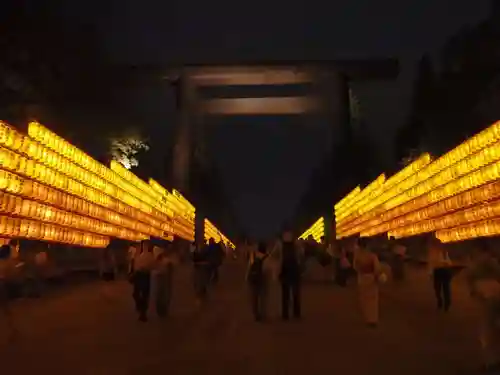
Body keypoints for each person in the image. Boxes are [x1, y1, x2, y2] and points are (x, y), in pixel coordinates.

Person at [466, 239, 500, 372]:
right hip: (492, 295)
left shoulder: (480, 261)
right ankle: (493, 360)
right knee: (493, 327)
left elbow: (470, 277)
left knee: (487, 329)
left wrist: (474, 289)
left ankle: (491, 362)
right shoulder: (488, 260)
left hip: (489, 296)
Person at [274, 229, 304, 321]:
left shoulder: (279, 243)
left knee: (285, 293)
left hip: (284, 269)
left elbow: (274, 254)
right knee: (296, 292)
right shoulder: (297, 243)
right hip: (295, 269)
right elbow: (302, 253)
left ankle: (285, 314)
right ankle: (296, 313)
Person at [353, 237, 383, 327]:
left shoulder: (357, 255)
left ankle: (366, 317)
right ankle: (372, 319)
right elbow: (377, 268)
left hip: (362, 277)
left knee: (364, 298)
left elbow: (355, 266)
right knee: (372, 299)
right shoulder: (372, 255)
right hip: (371, 277)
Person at [427, 235, 453, 312]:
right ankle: (440, 301)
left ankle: (446, 304)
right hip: (437, 271)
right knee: (437, 288)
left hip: (444, 271)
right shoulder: (432, 252)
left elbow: (449, 262)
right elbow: (431, 263)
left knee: (446, 288)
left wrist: (446, 264)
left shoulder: (444, 252)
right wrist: (430, 273)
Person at [247, 241, 271, 322]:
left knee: (254, 297)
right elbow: (268, 269)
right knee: (263, 297)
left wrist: (247, 277)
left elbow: (249, 267)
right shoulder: (267, 257)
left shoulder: (253, 255)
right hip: (263, 278)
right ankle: (263, 314)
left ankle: (255, 314)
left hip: (254, 279)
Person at [132, 241, 154, 322]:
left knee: (144, 294)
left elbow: (152, 265)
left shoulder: (149, 255)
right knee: (136, 293)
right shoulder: (137, 254)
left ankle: (143, 312)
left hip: (145, 275)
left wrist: (145, 268)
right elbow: (134, 264)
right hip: (138, 275)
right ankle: (140, 308)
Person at [0, 245, 19, 341]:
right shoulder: (8, 262)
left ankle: (12, 330)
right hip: (2, 285)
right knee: (6, 310)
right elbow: (12, 274)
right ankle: (12, 330)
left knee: (6, 309)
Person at [154, 243, 178, 318]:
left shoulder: (170, 255)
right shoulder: (157, 251)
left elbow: (174, 263)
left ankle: (163, 309)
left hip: (166, 275)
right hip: (160, 274)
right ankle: (160, 309)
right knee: (161, 292)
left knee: (165, 292)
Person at [193, 242, 211, 308]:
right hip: (201, 267)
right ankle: (201, 294)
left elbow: (194, 258)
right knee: (200, 281)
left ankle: (201, 295)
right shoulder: (205, 250)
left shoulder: (198, 250)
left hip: (201, 267)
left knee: (200, 281)